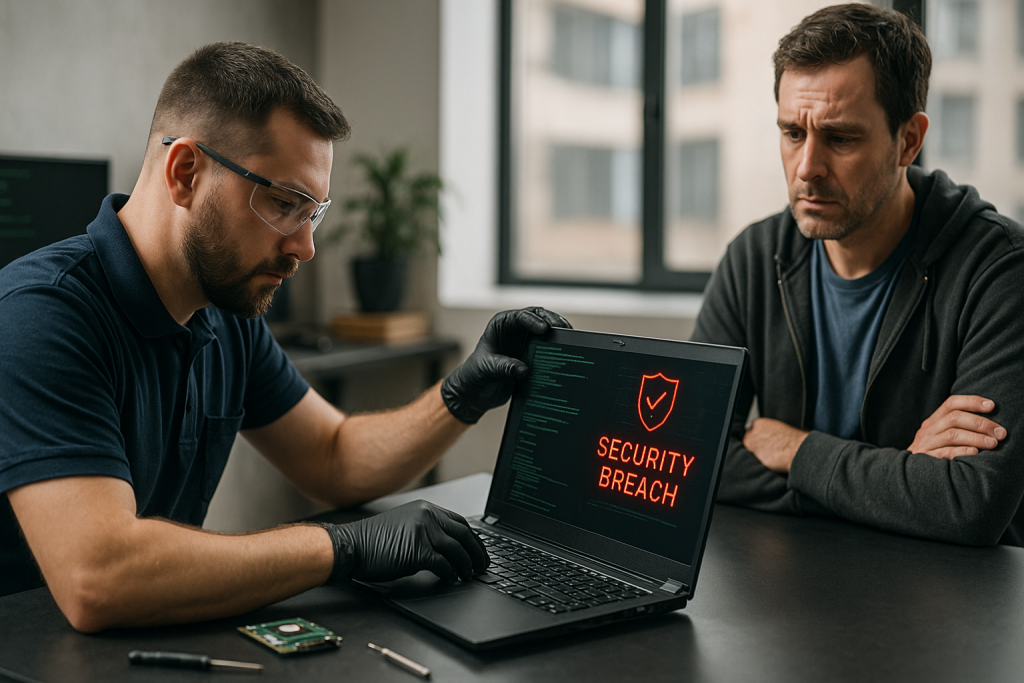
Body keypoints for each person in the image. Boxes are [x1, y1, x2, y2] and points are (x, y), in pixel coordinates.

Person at [0, 42, 569, 630]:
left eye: (313, 212)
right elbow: (100, 576)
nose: (306, 248)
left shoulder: (223, 315)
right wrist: (339, 548)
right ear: (185, 172)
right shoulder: (40, 317)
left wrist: (461, 394)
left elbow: (333, 457)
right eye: (283, 204)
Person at [692, 4, 1024, 546]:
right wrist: (895, 481)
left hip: (950, 610)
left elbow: (970, 504)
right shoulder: (755, 257)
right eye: (792, 133)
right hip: (790, 590)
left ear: (909, 141)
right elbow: (691, 455)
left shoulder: (998, 271)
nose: (808, 168)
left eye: (840, 138)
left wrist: (795, 450)